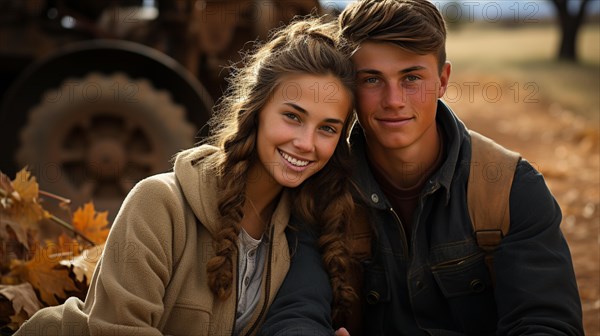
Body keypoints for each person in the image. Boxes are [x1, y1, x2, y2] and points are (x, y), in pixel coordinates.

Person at [15, 16, 358, 336]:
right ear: (257, 110)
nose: (306, 144)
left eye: (327, 128)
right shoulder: (158, 203)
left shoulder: (297, 230)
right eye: (293, 117)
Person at [258, 0, 584, 335]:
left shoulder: (511, 189)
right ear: (350, 89)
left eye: (411, 77)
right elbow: (295, 313)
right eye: (372, 79)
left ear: (443, 80)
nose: (394, 100)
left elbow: (547, 323)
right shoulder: (322, 188)